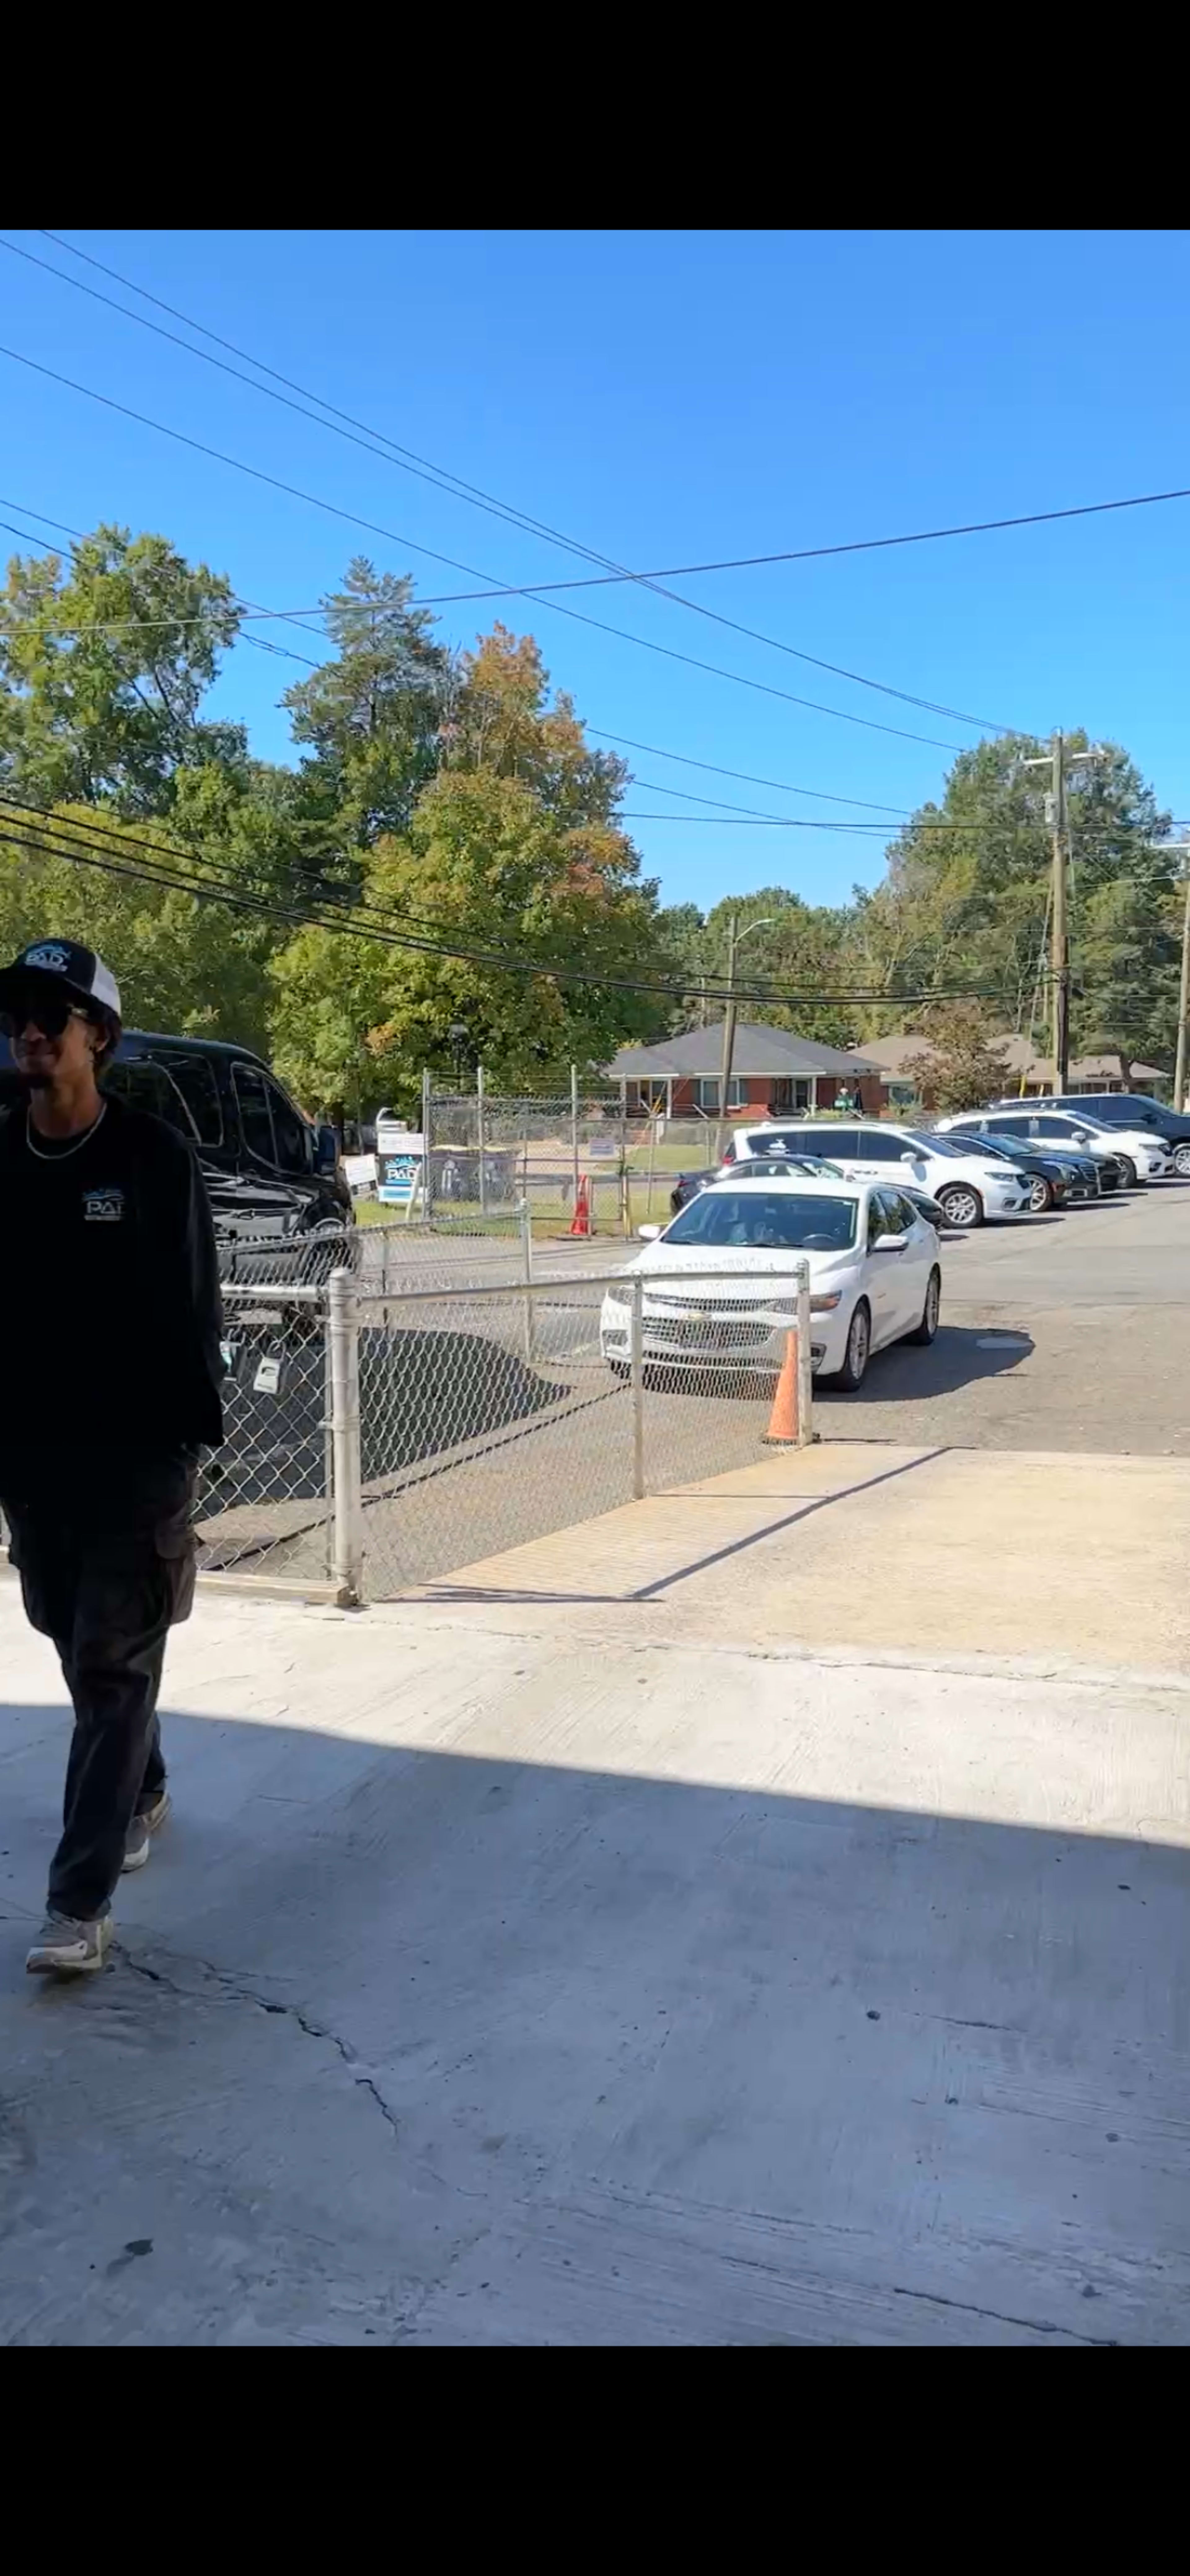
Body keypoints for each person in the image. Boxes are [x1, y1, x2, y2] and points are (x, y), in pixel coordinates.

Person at [0, 940, 225, 1976]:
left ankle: (75, 1904)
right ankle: (141, 1785)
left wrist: (184, 1451)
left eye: (55, 1014)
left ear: (101, 1036)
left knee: (108, 1658)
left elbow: (193, 1309)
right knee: (69, 1633)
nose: (32, 1032)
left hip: (136, 1458)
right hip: (34, 1459)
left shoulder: (153, 1159)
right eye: (20, 1018)